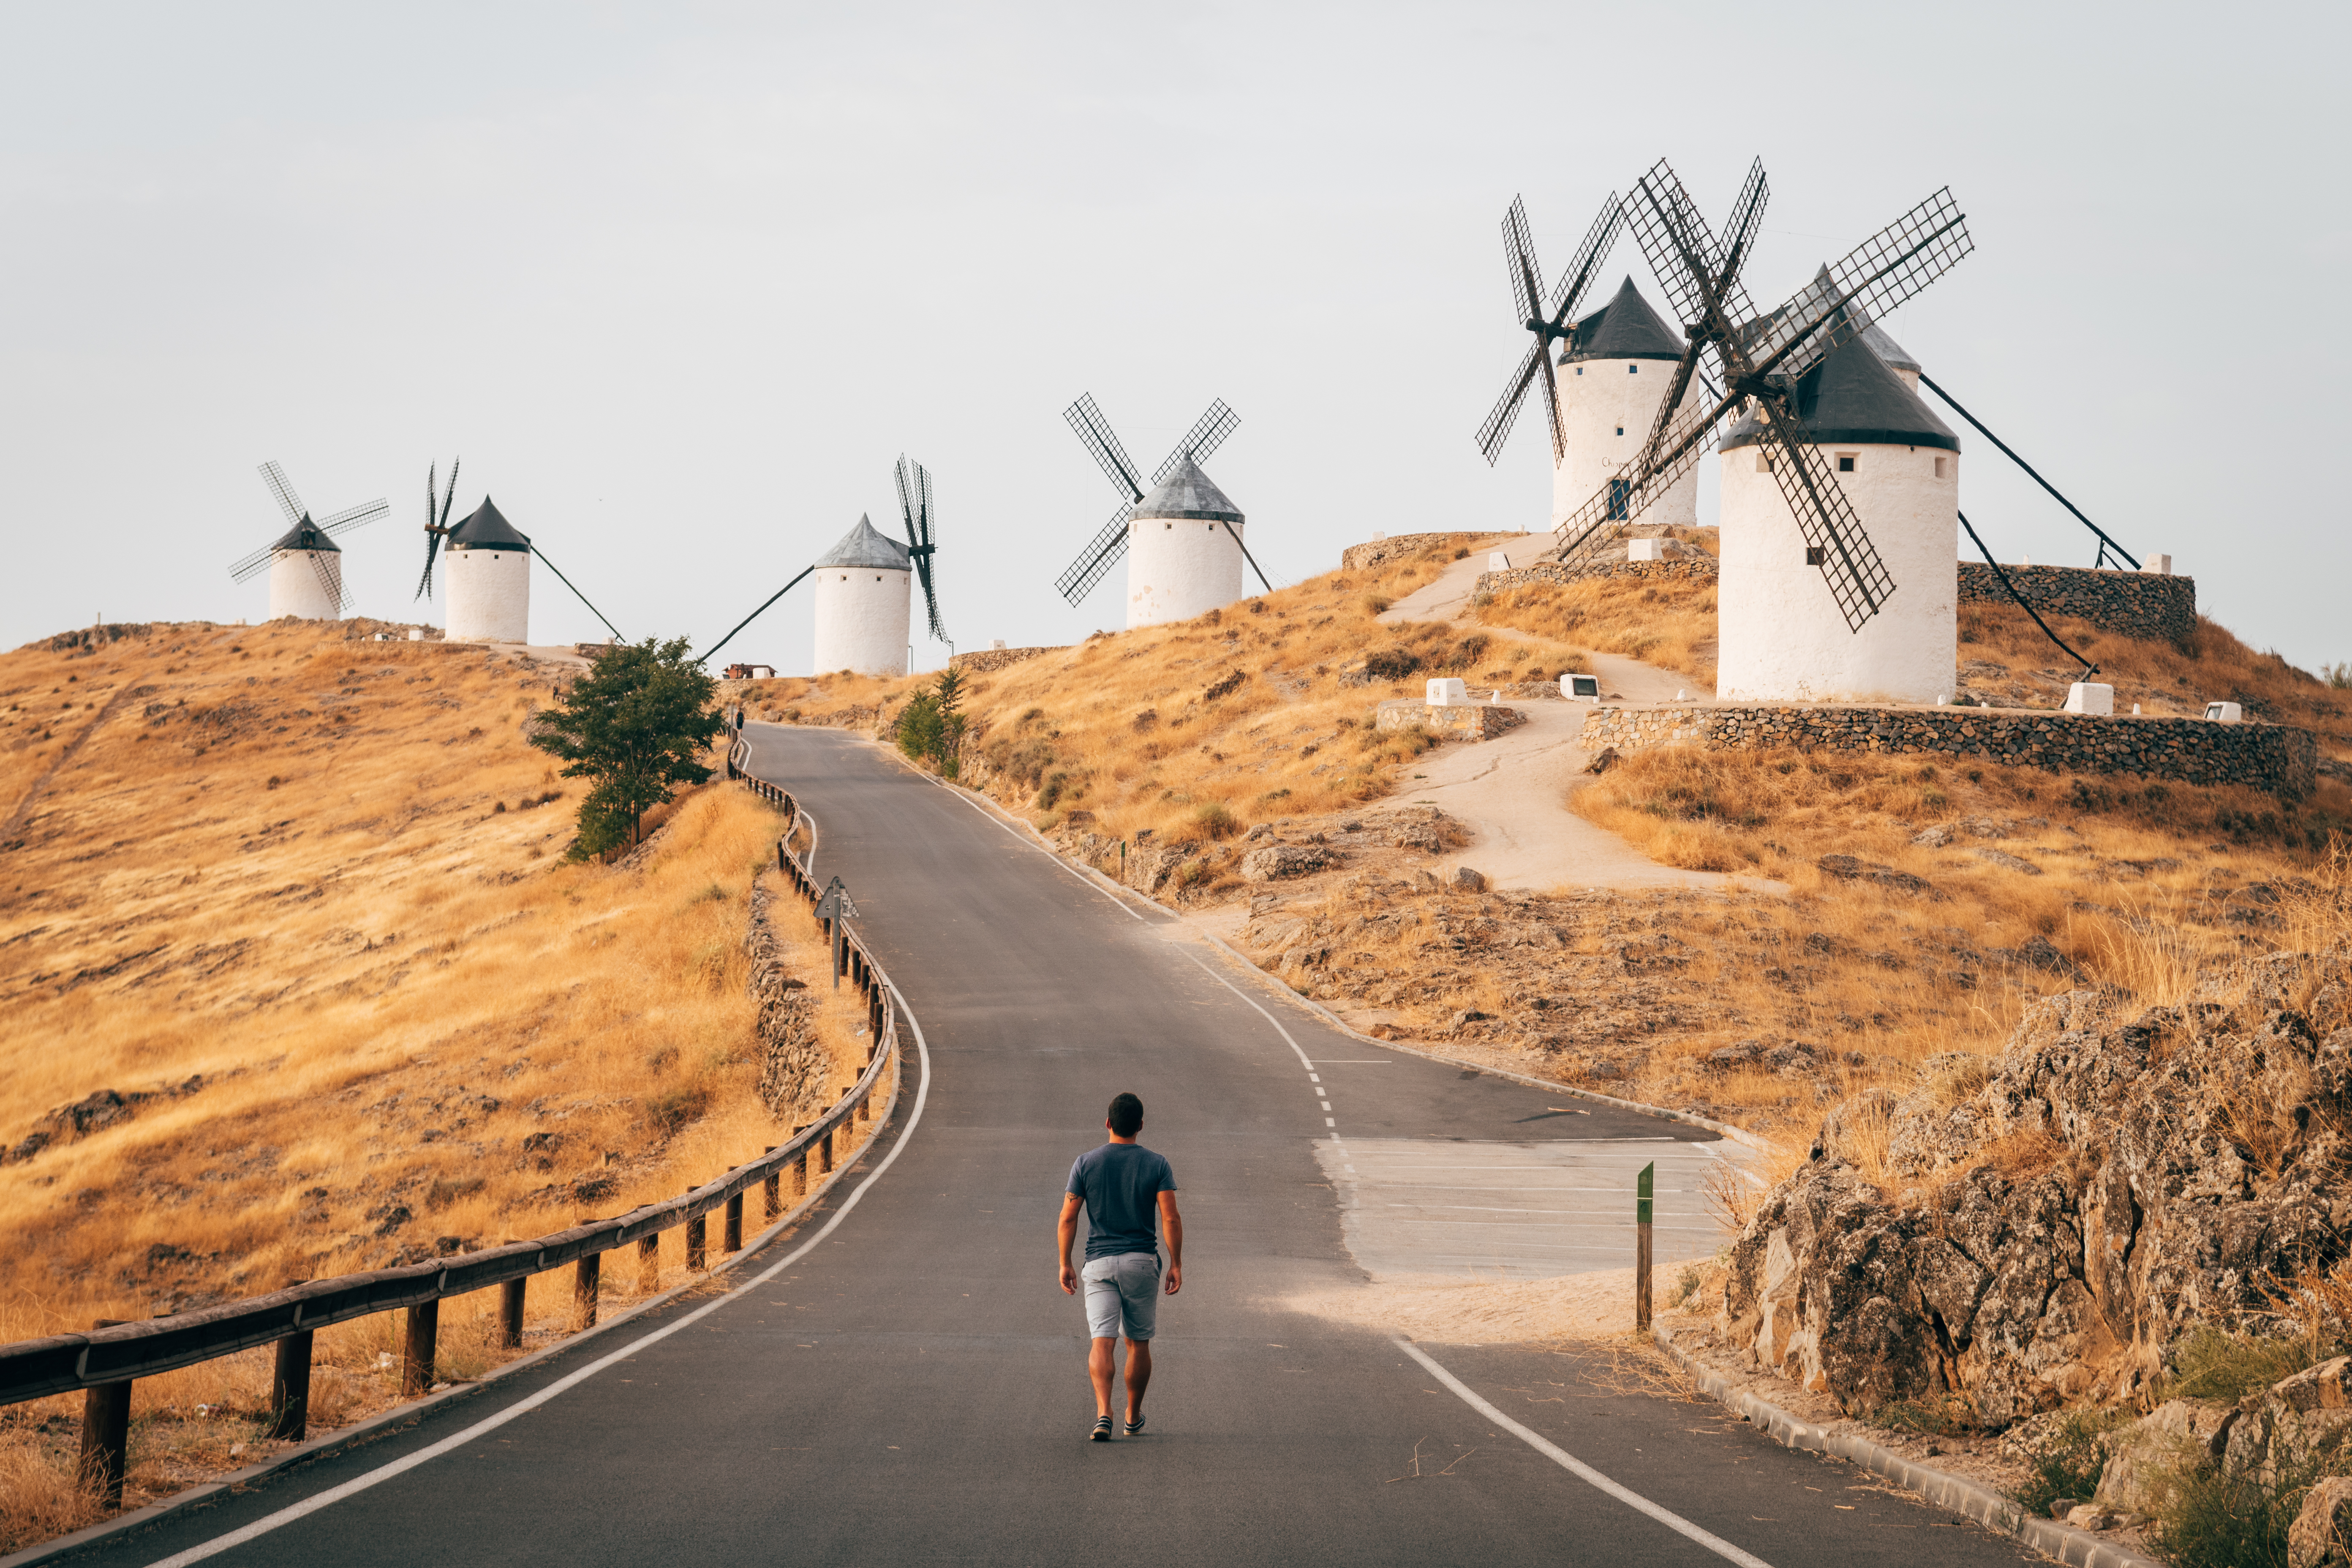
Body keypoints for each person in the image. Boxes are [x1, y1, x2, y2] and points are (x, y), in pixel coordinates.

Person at [1057, 1092, 1181, 1442]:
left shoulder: (1085, 1163)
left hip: (1099, 1264)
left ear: (1108, 1123)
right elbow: (1170, 1218)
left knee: (1102, 1341)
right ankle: (1133, 1415)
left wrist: (1065, 1262)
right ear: (1141, 1125)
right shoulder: (1158, 1164)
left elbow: (1068, 1218)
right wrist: (1176, 1263)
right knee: (1138, 1344)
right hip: (1142, 1263)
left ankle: (1104, 1413)